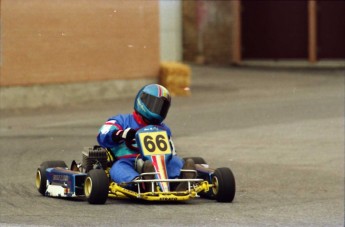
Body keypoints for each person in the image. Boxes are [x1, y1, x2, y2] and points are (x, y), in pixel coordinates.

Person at [97, 84, 195, 191]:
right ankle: (140, 182)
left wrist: (172, 157)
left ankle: (180, 181)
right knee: (118, 168)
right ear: (142, 101)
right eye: (154, 105)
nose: (157, 110)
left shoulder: (163, 129)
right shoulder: (122, 120)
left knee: (175, 161)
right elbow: (103, 134)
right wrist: (121, 134)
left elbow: (171, 151)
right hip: (129, 161)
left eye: (161, 107)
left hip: (159, 162)